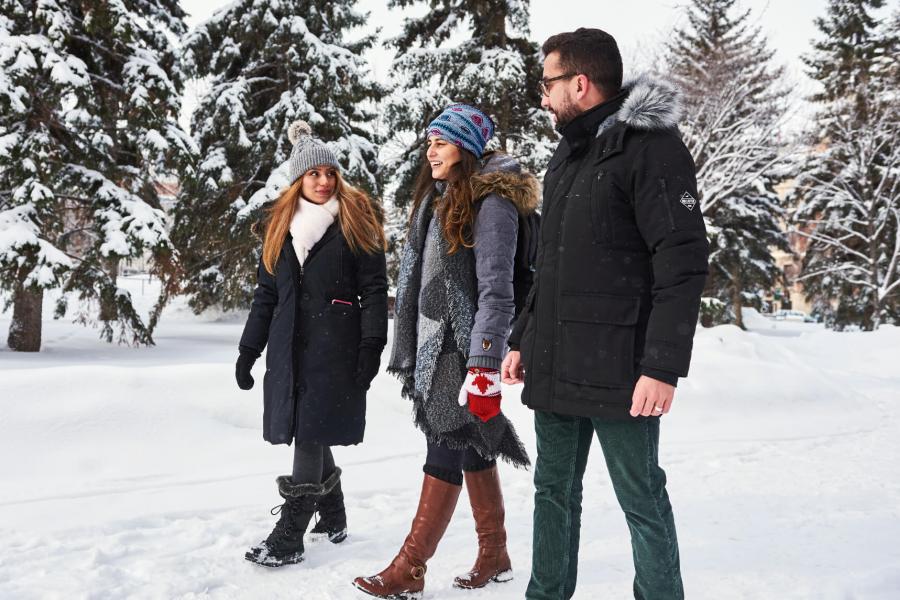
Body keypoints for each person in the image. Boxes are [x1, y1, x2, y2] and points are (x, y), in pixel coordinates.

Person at [501, 29, 710, 600]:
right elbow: (553, 265)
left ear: (580, 83)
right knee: (552, 492)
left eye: (548, 83)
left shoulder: (651, 147)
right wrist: (524, 337)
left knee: (640, 498)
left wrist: (662, 365)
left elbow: (683, 259)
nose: (542, 96)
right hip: (557, 361)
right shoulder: (566, 156)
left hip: (623, 369)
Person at [352, 103, 539, 599]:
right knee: (471, 442)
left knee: (445, 446)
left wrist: (482, 365)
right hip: (441, 344)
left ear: (467, 149)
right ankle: (494, 551)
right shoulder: (443, 198)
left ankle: (410, 567)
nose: (429, 151)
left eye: (441, 142)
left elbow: (498, 290)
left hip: (463, 349)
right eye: (429, 142)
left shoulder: (492, 204)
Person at [235, 120, 388, 567]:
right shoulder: (280, 227)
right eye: (313, 174)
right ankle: (334, 515)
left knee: (309, 430)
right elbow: (267, 295)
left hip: (335, 348)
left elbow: (375, 290)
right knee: (310, 427)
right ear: (297, 179)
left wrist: (370, 347)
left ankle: (289, 536)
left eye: (329, 173)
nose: (323, 182)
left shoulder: (356, 221)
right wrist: (249, 350)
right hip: (288, 348)